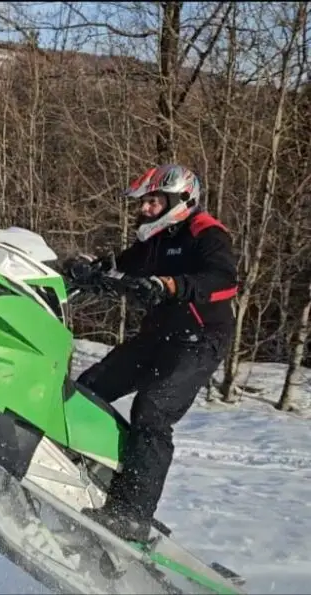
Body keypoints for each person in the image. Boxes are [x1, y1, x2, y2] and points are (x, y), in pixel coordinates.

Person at [64, 163, 238, 542]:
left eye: (152, 202)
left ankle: (131, 515)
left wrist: (170, 285)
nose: (144, 209)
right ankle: (79, 467)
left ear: (180, 200)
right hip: (157, 336)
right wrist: (87, 272)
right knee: (89, 388)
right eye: (143, 203)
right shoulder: (156, 240)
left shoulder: (206, 233)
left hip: (199, 339)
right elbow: (120, 269)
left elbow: (224, 281)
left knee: (153, 410)